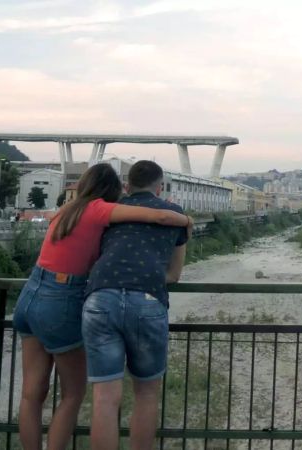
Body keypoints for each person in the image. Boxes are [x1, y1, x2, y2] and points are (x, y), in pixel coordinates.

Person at [11, 163, 192, 450]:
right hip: (61, 298)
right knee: (73, 393)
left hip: (31, 293)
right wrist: (184, 221)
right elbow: (156, 216)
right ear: (112, 190)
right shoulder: (98, 210)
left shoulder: (65, 212)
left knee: (32, 393)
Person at [83, 160, 189, 450]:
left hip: (100, 298)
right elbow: (174, 275)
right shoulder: (175, 214)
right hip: (146, 300)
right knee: (146, 394)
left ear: (127, 186)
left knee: (104, 397)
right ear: (160, 186)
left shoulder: (112, 210)